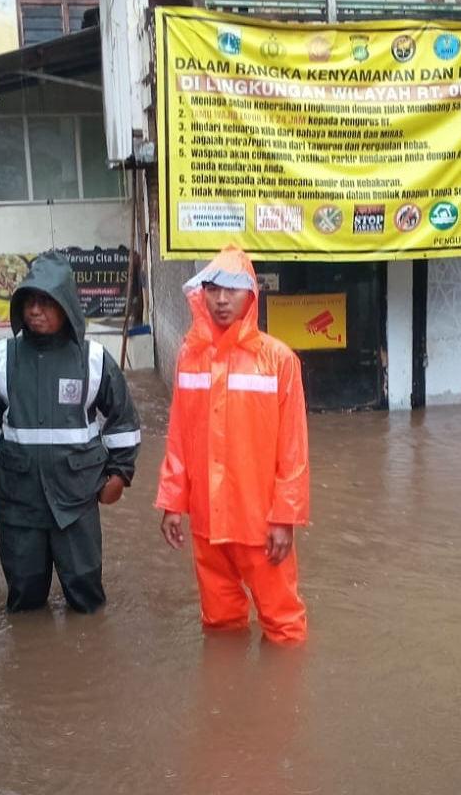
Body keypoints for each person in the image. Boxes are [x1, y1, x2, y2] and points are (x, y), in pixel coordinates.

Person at [0, 250, 140, 614]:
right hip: (19, 501)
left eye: (46, 302)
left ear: (67, 306)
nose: (35, 311)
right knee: (24, 598)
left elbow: (123, 421)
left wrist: (119, 475)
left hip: (76, 499)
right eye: (29, 302)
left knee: (87, 596)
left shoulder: (93, 359)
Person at [155, 245, 310, 644]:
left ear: (251, 295)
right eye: (213, 288)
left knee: (284, 627)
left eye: (233, 289)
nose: (222, 299)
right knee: (220, 625)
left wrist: (283, 519)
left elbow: (293, 450)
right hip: (208, 522)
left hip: (260, 524)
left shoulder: (279, 360)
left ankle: (281, 703)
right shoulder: (189, 357)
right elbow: (178, 436)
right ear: (202, 293)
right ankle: (226, 699)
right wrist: (174, 502)